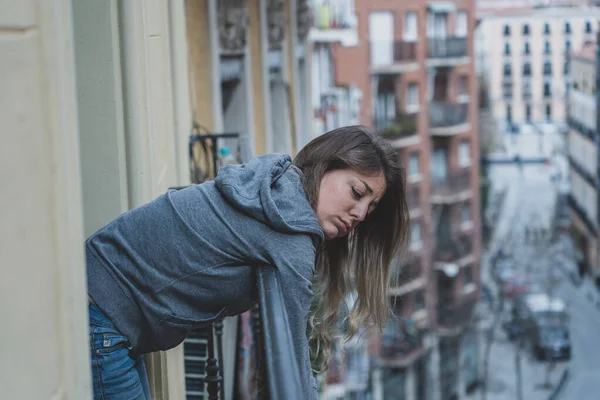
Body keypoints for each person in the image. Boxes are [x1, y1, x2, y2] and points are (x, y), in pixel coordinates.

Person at [86, 125, 410, 399]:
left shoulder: (276, 186)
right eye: (357, 192)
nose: (361, 213)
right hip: (104, 315)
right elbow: (295, 360)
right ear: (325, 166)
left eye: (371, 206)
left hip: (102, 299)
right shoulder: (291, 232)